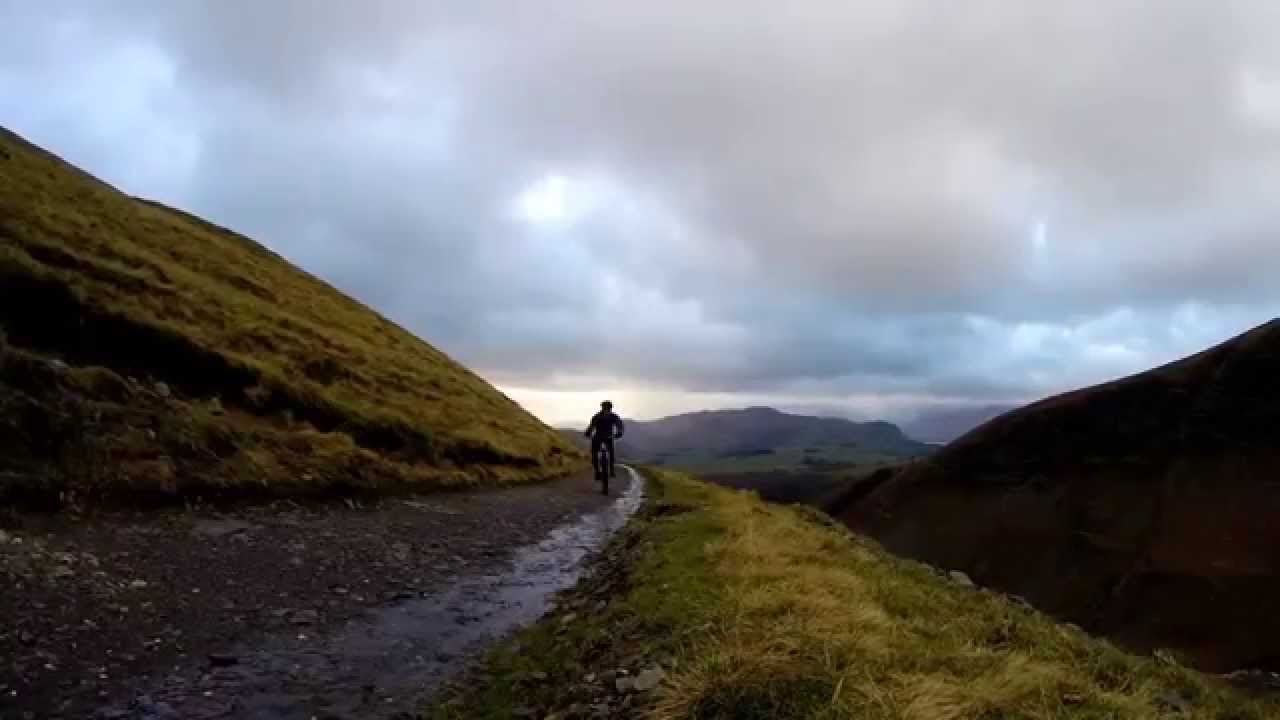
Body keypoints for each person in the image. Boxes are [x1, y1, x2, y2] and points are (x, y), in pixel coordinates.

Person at [584, 400, 625, 478]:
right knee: (610, 453)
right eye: (605, 408)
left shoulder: (597, 416)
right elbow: (619, 425)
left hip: (599, 437)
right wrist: (619, 432)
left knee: (595, 453)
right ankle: (610, 471)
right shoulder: (613, 416)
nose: (606, 409)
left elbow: (591, 427)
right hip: (608, 437)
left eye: (607, 408)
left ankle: (598, 472)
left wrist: (588, 433)